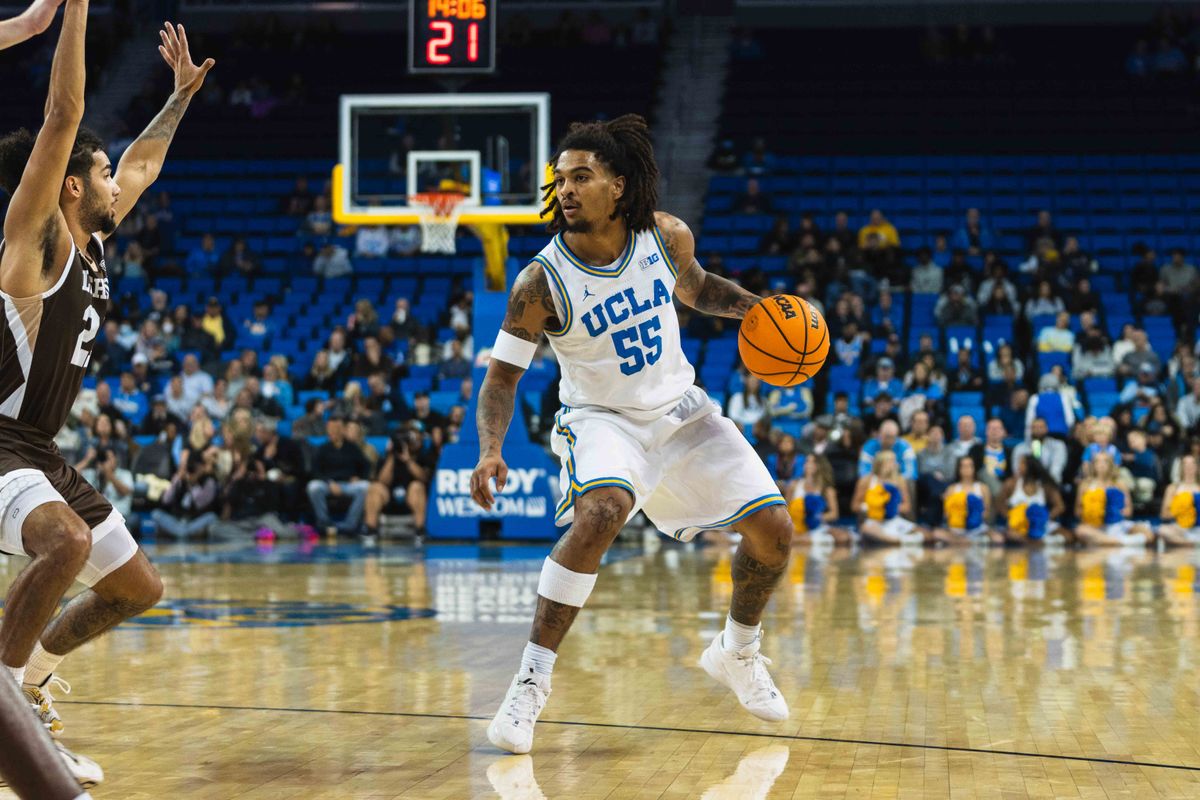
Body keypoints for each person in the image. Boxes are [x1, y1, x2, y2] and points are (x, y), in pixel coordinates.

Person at [471, 115, 794, 755]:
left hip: (680, 412)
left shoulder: (664, 235)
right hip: (601, 421)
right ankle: (530, 683)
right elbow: (503, 377)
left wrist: (752, 308)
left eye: (581, 177)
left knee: (776, 534)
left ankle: (737, 650)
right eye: (560, 179)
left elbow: (698, 290)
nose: (565, 189)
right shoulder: (540, 281)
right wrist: (490, 449)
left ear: (618, 185)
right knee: (603, 511)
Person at [0, 9, 210, 784]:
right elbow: (63, 115)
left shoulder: (93, 241)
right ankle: (6, 716)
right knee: (67, 545)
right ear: (72, 185)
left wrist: (180, 94)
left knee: (136, 587)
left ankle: (32, 683)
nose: (121, 182)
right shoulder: (37, 239)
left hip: (38, 451)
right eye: (104, 175)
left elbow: (147, 160)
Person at [362, 428, 435, 540]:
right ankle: (370, 530)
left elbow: (423, 478)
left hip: (411, 499)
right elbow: (382, 480)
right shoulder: (385, 458)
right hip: (389, 499)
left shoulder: (422, 457)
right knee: (375, 487)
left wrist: (408, 460)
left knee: (417, 486)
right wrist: (392, 457)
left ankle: (420, 530)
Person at [305, 416, 371, 537]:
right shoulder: (322, 449)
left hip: (349, 485)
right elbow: (315, 471)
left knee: (366, 486)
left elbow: (366, 466)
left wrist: (359, 477)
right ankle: (324, 523)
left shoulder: (352, 448)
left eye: (336, 428)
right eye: (330, 428)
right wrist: (329, 482)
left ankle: (350, 525)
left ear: (342, 430)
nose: (332, 431)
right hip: (328, 484)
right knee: (313, 487)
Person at [1073, 451, 1152, 547]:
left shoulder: (1119, 484)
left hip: (1118, 524)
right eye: (1098, 461)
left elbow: (1129, 510)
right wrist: (1091, 512)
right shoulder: (1085, 485)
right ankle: (1121, 542)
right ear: (1093, 465)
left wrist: (1118, 512)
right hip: (1095, 527)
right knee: (1080, 531)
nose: (1101, 465)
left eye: (1105, 461)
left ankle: (1107, 541)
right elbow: (1077, 510)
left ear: (1111, 465)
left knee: (1148, 533)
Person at [853, 452, 928, 545]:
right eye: (890, 461)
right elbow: (854, 506)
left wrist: (890, 508)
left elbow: (907, 506)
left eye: (894, 461)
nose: (895, 464)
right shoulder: (866, 480)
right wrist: (871, 507)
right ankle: (899, 541)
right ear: (880, 463)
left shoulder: (900, 480)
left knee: (924, 533)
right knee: (866, 529)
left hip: (894, 520)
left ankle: (899, 540)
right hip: (874, 521)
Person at [998, 455, 1067, 546]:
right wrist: (1010, 516)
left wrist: (1045, 517)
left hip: (1040, 524)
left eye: (1022, 464)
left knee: (1068, 536)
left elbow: (1060, 506)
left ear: (1030, 467)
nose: (1018, 466)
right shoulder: (1011, 483)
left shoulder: (1044, 485)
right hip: (1019, 525)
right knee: (1010, 535)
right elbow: (999, 504)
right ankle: (1041, 542)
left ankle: (1037, 541)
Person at [932, 456, 999, 545]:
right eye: (963, 466)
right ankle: (963, 541)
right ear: (958, 469)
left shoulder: (983, 488)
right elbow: (946, 514)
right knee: (936, 533)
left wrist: (974, 517)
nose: (967, 469)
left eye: (969, 466)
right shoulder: (951, 489)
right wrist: (960, 517)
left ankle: (965, 541)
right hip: (956, 529)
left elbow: (987, 512)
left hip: (978, 528)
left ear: (974, 468)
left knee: (998, 538)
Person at [786, 455, 850, 547]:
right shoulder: (794, 485)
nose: (808, 465)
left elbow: (834, 514)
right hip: (796, 528)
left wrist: (816, 517)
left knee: (843, 537)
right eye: (807, 462)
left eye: (812, 462)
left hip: (818, 527)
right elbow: (785, 510)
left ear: (820, 466)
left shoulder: (827, 490)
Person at [1158, 454, 1200, 546]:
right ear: (1181, 467)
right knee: (1162, 530)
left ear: (1197, 467)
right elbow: (1164, 515)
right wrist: (1182, 510)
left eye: (1192, 464)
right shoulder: (1173, 488)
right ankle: (1191, 544)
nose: (1189, 467)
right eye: (1185, 464)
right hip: (1180, 528)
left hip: (1198, 527)